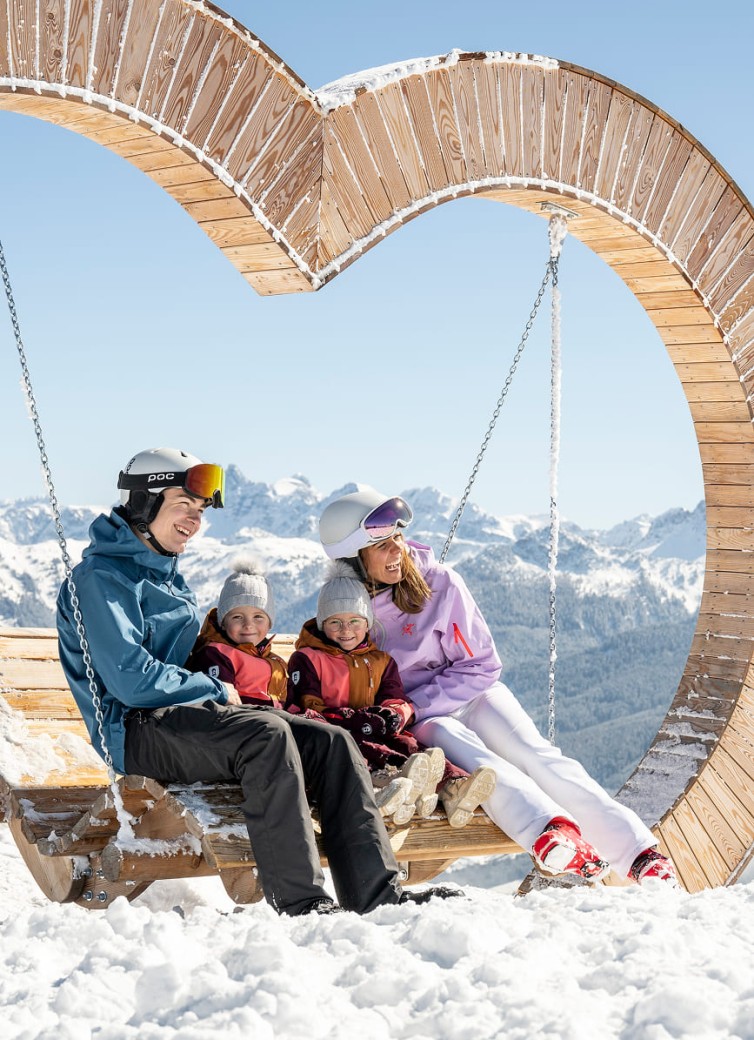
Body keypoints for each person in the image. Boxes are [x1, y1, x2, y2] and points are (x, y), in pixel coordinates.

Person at [56, 450, 460, 916]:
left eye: (201, 510)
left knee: (331, 742)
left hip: (184, 721)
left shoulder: (166, 575)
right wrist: (211, 689)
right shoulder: (100, 581)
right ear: (145, 503)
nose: (195, 519)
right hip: (133, 729)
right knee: (265, 735)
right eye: (184, 504)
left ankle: (377, 895)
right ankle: (302, 901)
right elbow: (129, 679)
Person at [318, 486, 679, 888]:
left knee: (535, 755)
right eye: (383, 545)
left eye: (398, 539)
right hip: (423, 718)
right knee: (477, 761)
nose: (397, 551)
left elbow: (483, 664)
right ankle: (552, 834)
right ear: (354, 556)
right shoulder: (346, 611)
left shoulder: (440, 584)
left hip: (470, 694)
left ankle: (640, 854)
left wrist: (412, 706)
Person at [287, 561, 496, 827]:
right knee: (361, 748)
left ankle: (453, 785)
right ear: (322, 623)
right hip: (331, 734)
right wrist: (356, 720)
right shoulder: (307, 659)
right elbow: (307, 710)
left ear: (368, 623)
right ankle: (391, 788)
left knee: (408, 744)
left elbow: (393, 695)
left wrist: (392, 713)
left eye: (354, 621)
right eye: (335, 623)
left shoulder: (380, 660)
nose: (346, 630)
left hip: (369, 728)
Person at [186, 557, 287, 708]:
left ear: (269, 623)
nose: (248, 625)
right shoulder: (216, 654)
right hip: (245, 723)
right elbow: (225, 704)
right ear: (223, 622)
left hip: (276, 719)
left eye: (258, 617)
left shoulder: (275, 661)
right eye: (237, 617)